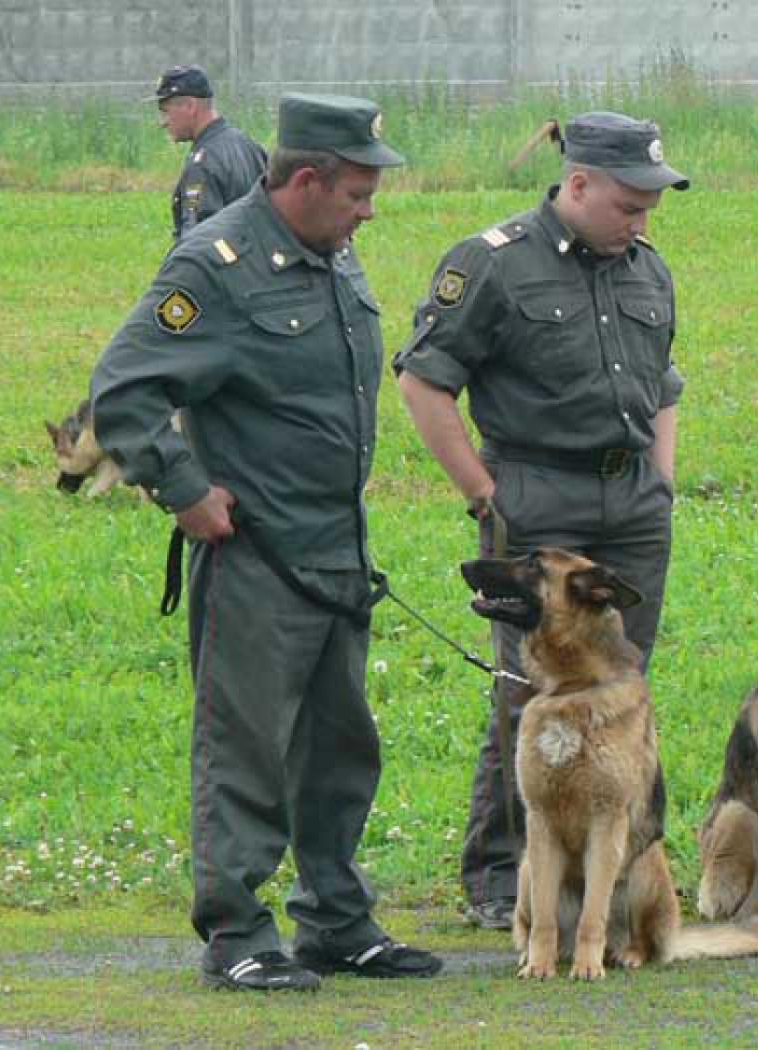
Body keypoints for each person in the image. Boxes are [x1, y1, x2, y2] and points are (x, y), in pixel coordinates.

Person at [91, 93, 442, 990]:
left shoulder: (332, 254)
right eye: (358, 192)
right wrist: (184, 492)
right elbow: (124, 387)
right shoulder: (215, 266)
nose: (371, 210)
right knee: (245, 748)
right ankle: (236, 933)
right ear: (309, 179)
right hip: (257, 558)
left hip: (336, 551)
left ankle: (335, 919)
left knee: (339, 749)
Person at [393, 111, 689, 930]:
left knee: (621, 689)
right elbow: (424, 382)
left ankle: (626, 869)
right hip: (536, 501)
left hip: (629, 507)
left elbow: (665, 383)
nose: (641, 221)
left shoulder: (647, 269)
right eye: (629, 204)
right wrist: (485, 493)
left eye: (650, 207)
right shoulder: (492, 265)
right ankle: (504, 874)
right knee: (531, 691)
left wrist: (659, 483)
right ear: (580, 182)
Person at [147, 64, 267, 245]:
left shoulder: (202, 164)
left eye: (166, 111)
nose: (163, 122)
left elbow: (197, 242)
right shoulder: (249, 146)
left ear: (190, 106)